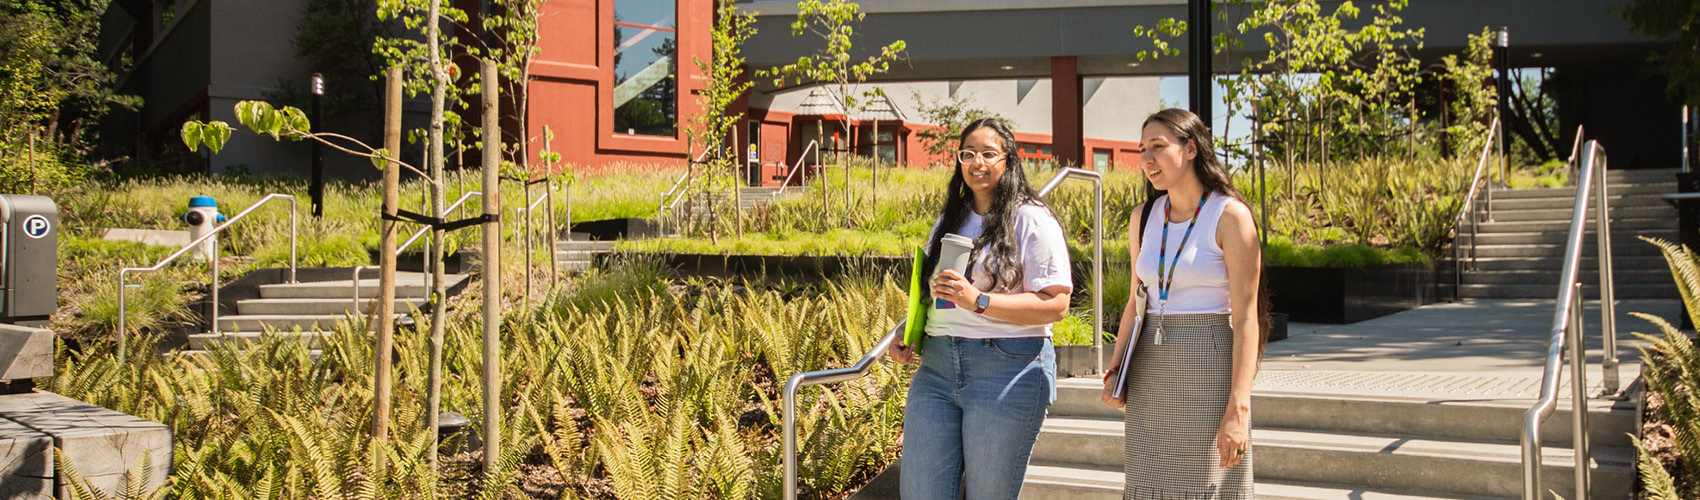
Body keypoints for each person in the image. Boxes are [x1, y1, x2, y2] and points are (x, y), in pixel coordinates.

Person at [887, 117, 1073, 499]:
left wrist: (979, 301)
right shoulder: (949, 219)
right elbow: (934, 295)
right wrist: (908, 332)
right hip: (937, 369)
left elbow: (1056, 303)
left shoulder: (1031, 218)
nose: (977, 162)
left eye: (989, 153)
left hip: (1006, 368)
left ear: (1009, 161)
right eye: (967, 154)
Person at [1100, 108, 1267, 499]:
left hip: (1207, 366)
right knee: (1147, 486)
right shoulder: (1143, 217)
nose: (1147, 159)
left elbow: (1246, 320)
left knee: (1206, 485)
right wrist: (1116, 366)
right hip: (1149, 372)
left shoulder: (1230, 216)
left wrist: (1238, 410)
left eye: (1158, 147)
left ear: (1191, 149)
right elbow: (1135, 301)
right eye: (1142, 150)